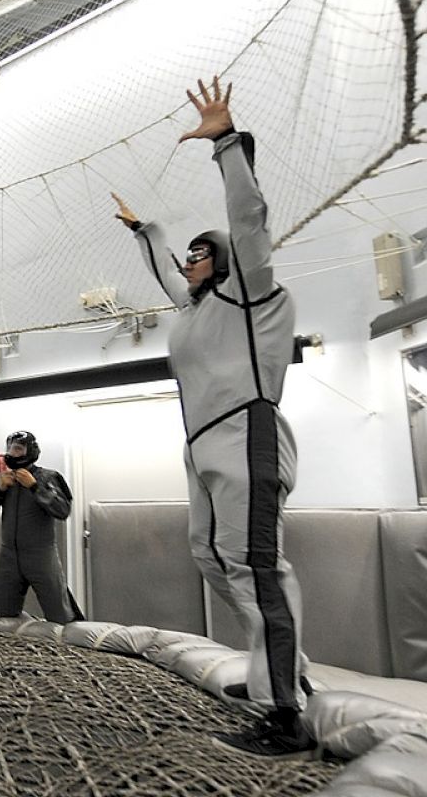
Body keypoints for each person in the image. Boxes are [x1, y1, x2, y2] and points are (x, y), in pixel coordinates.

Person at [112, 77, 314, 758]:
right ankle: (278, 668)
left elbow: (249, 220)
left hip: (246, 437)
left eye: (202, 252)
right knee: (210, 556)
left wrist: (227, 142)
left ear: (225, 264)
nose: (191, 262)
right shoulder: (197, 311)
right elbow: (169, 275)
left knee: (256, 565)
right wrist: (147, 230)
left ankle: (283, 712)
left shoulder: (251, 293)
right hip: (203, 448)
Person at [0, 430, 83, 624]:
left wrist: (35, 487)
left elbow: (62, 510)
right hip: (8, 556)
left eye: (18, 449)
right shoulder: (1, 480)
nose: (13, 453)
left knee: (61, 615)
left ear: (30, 451)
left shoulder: (49, 477)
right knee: (1, 613)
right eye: (10, 449)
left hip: (41, 556)